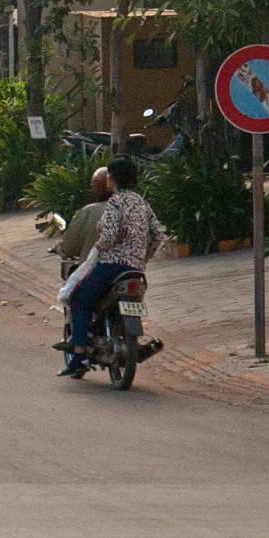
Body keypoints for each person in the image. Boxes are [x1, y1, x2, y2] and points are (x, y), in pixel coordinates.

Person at [61, 157, 167, 377]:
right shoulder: (141, 202)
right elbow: (159, 235)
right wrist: (143, 257)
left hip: (111, 266)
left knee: (78, 299)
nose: (107, 179)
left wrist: (96, 251)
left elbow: (109, 236)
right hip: (135, 271)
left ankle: (79, 354)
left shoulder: (115, 203)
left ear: (114, 178)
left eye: (109, 174)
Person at [56, 167, 114, 273]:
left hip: (99, 271)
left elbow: (69, 247)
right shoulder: (135, 205)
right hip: (133, 270)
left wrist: (60, 247)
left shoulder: (88, 212)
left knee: (70, 289)